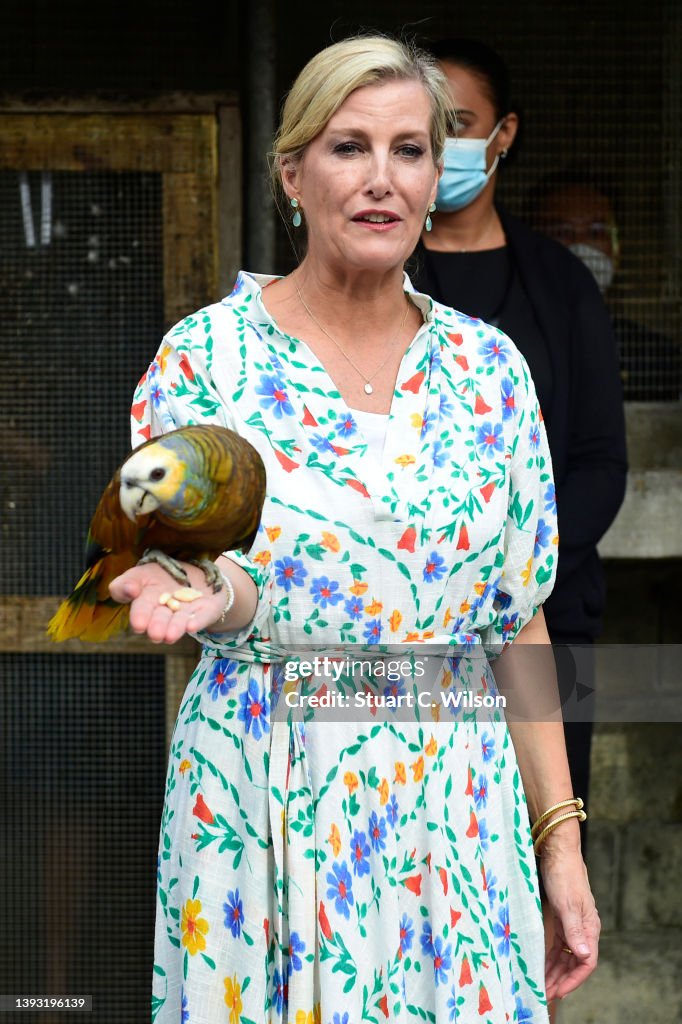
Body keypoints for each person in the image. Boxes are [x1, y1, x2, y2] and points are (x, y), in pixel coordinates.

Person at [109, 35, 599, 1023]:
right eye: (348, 148)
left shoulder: (488, 369)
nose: (381, 179)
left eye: (410, 150)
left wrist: (559, 843)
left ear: (436, 179)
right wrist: (212, 595)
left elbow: (518, 619)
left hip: (455, 804)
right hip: (267, 788)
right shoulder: (205, 361)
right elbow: (210, 578)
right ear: (292, 173)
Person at [409, 37, 628, 868]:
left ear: (503, 136)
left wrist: (516, 571)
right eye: (422, 125)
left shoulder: (561, 284)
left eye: (456, 124)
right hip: (403, 629)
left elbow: (602, 462)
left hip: (547, 619)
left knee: (546, 858)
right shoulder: (376, 270)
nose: (437, 144)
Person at [527, 167, 682, 401]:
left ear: (617, 248)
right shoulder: (506, 347)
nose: (580, 247)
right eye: (561, 232)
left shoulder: (657, 358)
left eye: (596, 233)